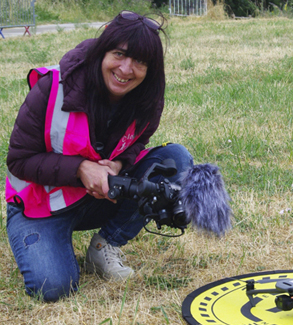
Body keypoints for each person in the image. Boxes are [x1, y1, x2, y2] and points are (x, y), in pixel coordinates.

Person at [5, 11, 193, 302]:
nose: (127, 69)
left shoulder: (147, 99)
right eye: (119, 54)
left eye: (140, 61)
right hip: (39, 206)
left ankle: (105, 247)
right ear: (101, 50)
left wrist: (120, 163)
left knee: (175, 159)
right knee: (54, 287)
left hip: (98, 199)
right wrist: (80, 168)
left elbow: (138, 142)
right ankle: (48, 243)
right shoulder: (52, 88)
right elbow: (18, 161)